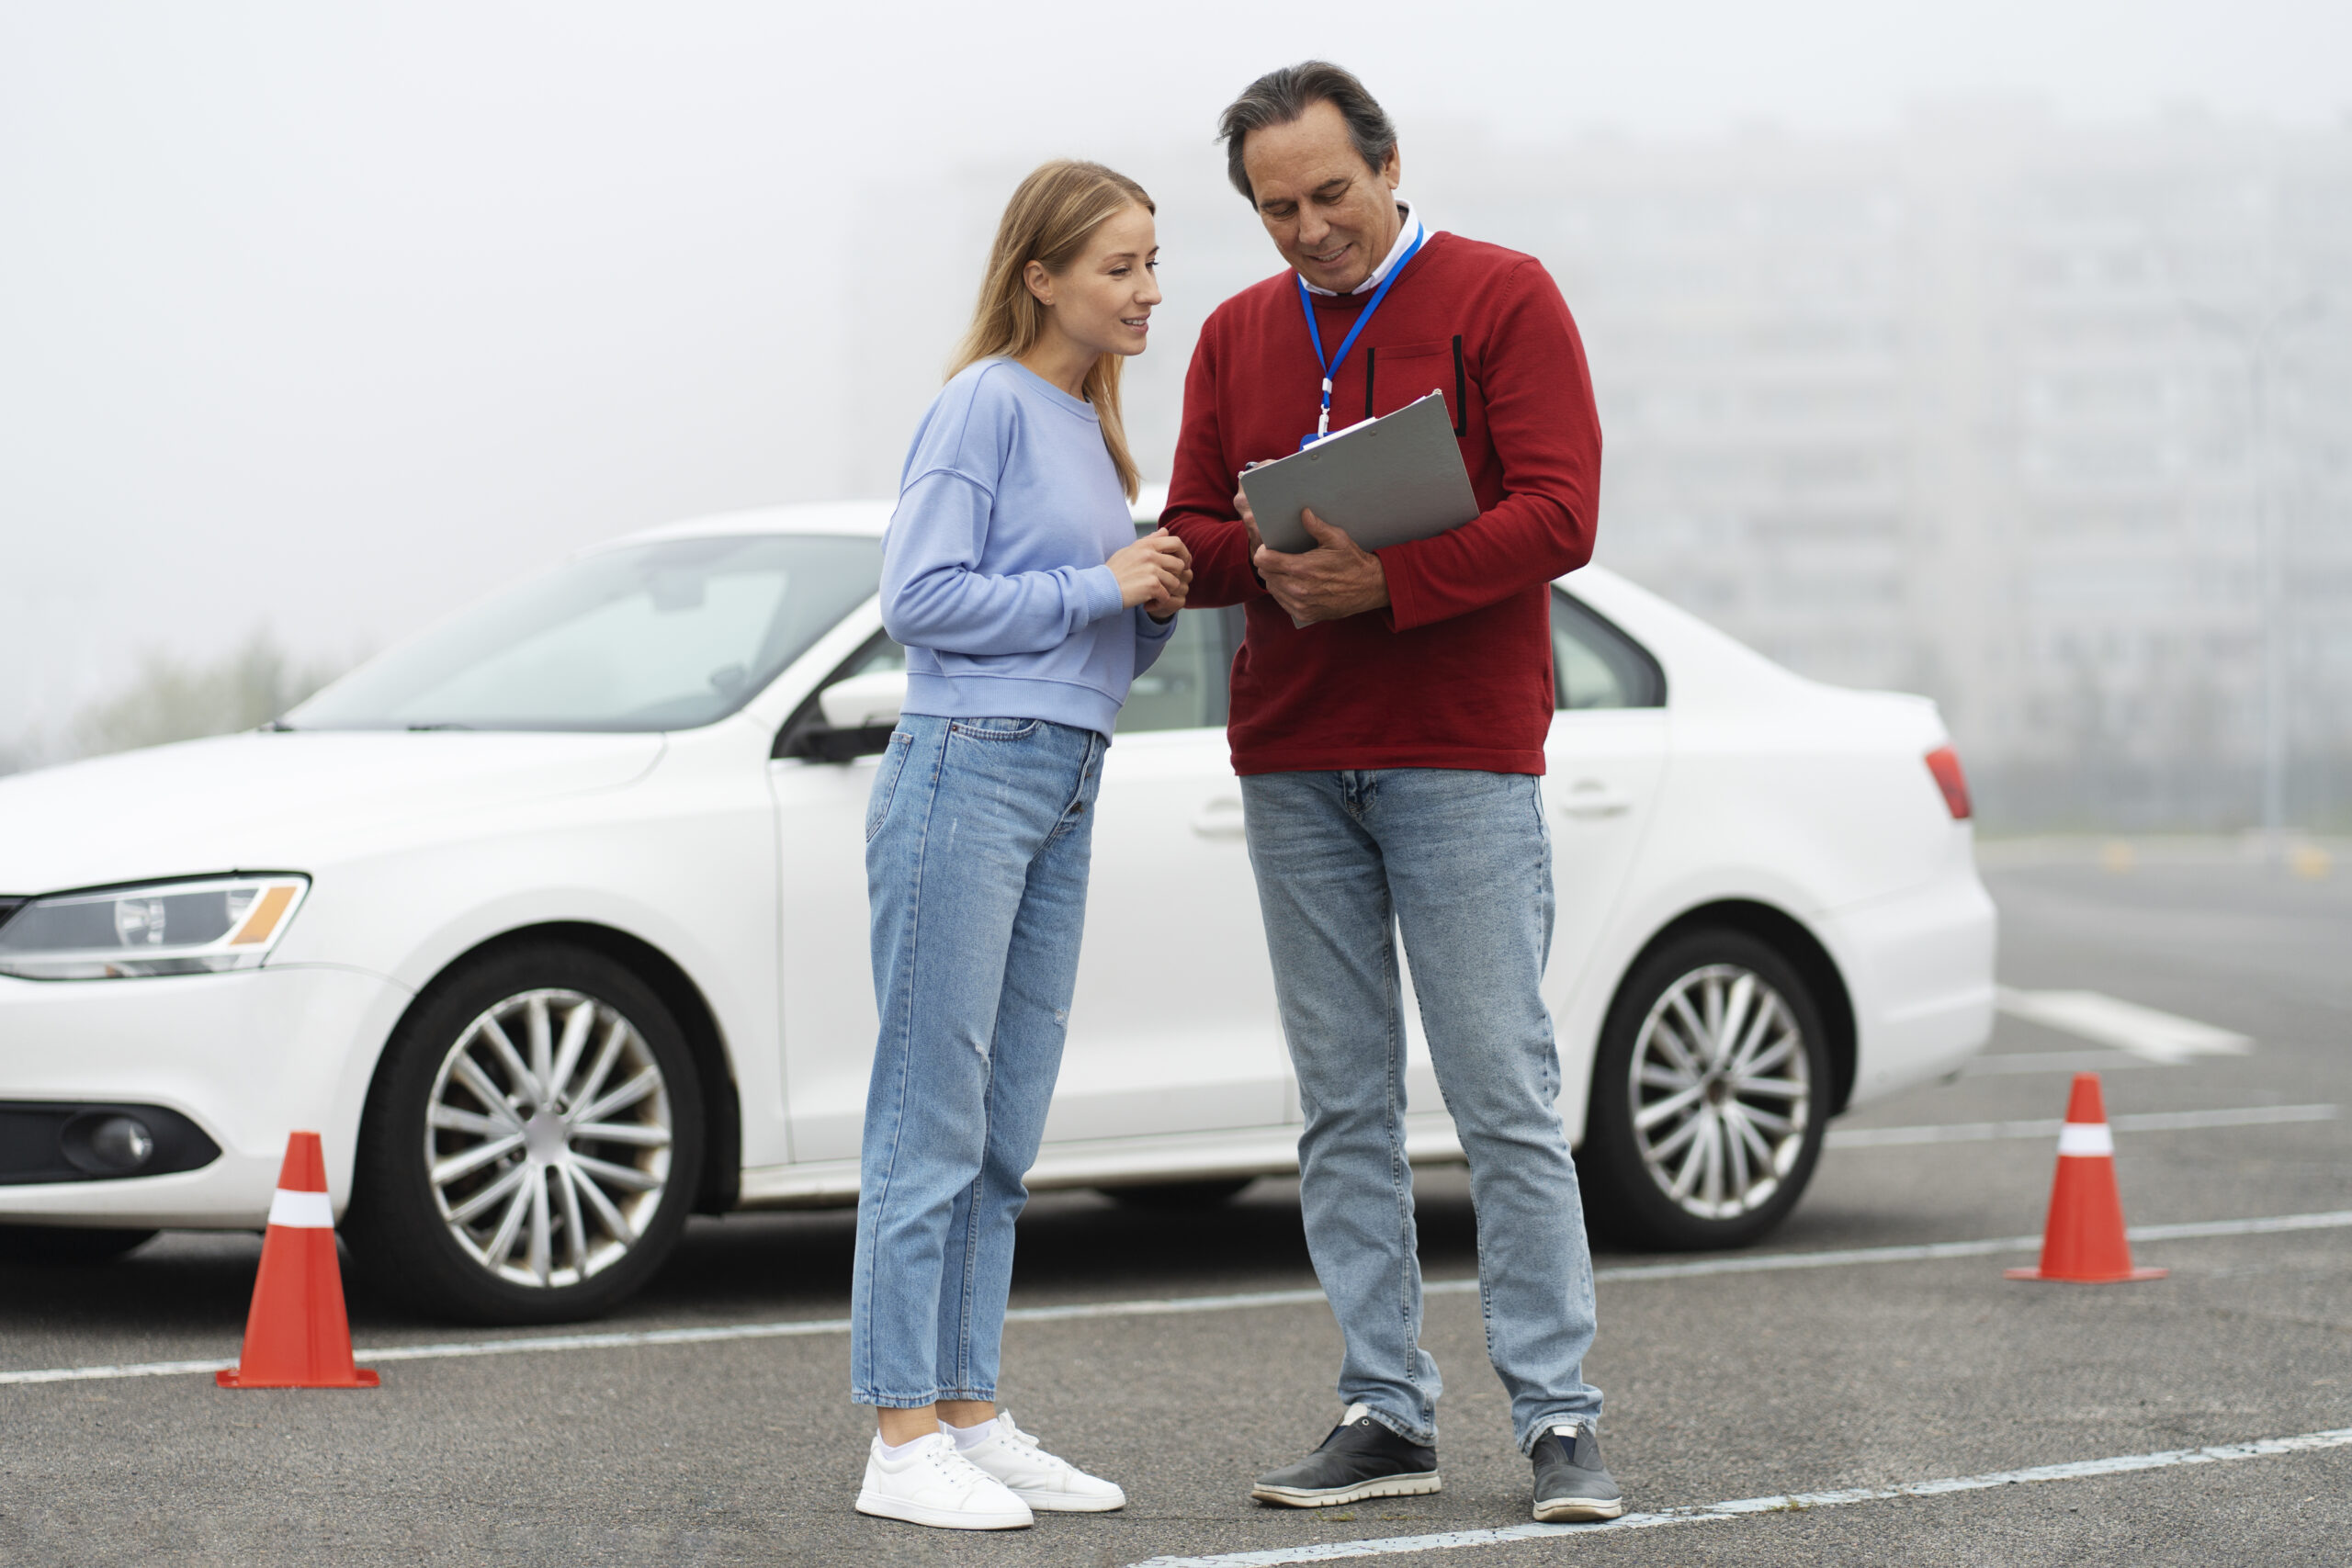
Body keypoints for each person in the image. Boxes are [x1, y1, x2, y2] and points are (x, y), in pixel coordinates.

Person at [1161, 62, 1623, 1524]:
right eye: (1277, 208)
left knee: (1502, 1092)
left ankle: (1558, 1423)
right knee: (1341, 1106)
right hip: (1294, 758)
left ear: (1391, 164)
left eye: (1331, 196)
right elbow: (1189, 528)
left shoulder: (1503, 297)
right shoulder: (1236, 333)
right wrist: (1271, 554)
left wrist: (1392, 577)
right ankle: (1383, 1411)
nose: (1309, 231)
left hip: (1460, 752)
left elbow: (1563, 510)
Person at [849, 159, 1193, 1532]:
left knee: (1002, 1131)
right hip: (965, 773)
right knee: (926, 1119)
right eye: (1120, 266)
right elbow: (918, 599)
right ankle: (898, 1437)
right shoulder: (983, 402)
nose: (1149, 290)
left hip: (1063, 775)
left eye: (1154, 262)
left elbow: (1082, 636)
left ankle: (971, 1412)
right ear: (1039, 274)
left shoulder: (1092, 432)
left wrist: (1157, 590)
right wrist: (1098, 581)